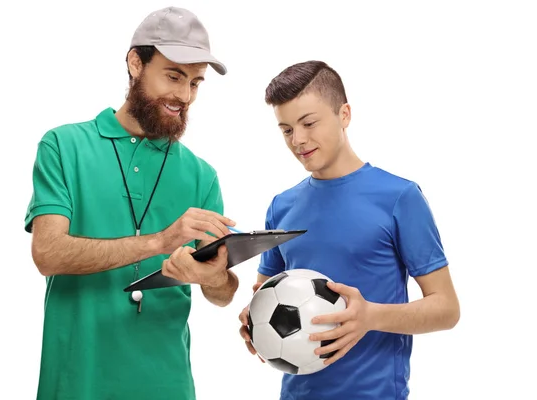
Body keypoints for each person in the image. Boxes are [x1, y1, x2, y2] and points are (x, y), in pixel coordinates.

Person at [24, 6, 239, 400]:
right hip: (77, 382)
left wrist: (210, 277)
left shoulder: (202, 175)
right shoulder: (63, 146)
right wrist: (161, 242)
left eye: (195, 83)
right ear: (136, 63)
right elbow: (47, 253)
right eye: (173, 76)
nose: (184, 96)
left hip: (168, 385)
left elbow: (223, 293)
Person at [238, 60, 460, 399]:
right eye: (286, 130)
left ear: (344, 114)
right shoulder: (281, 206)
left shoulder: (399, 198)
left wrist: (369, 316)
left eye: (308, 123)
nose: (298, 140)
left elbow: (446, 309)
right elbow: (266, 290)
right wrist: (255, 322)